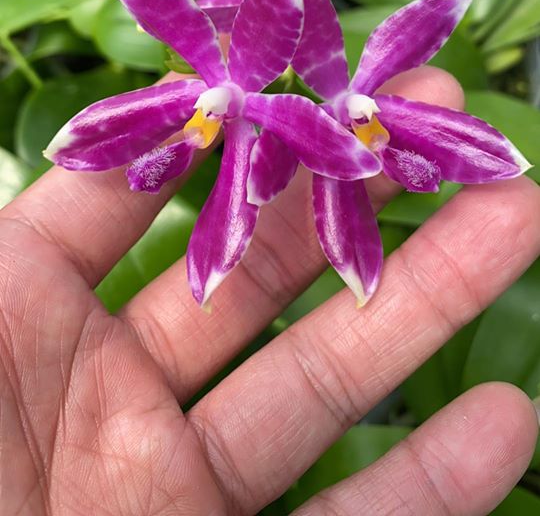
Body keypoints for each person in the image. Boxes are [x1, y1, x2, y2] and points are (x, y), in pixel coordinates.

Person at [0, 64, 538, 515]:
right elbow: (91, 139)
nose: (201, 125)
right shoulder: (236, 132)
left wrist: (363, 145)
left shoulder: (301, 125)